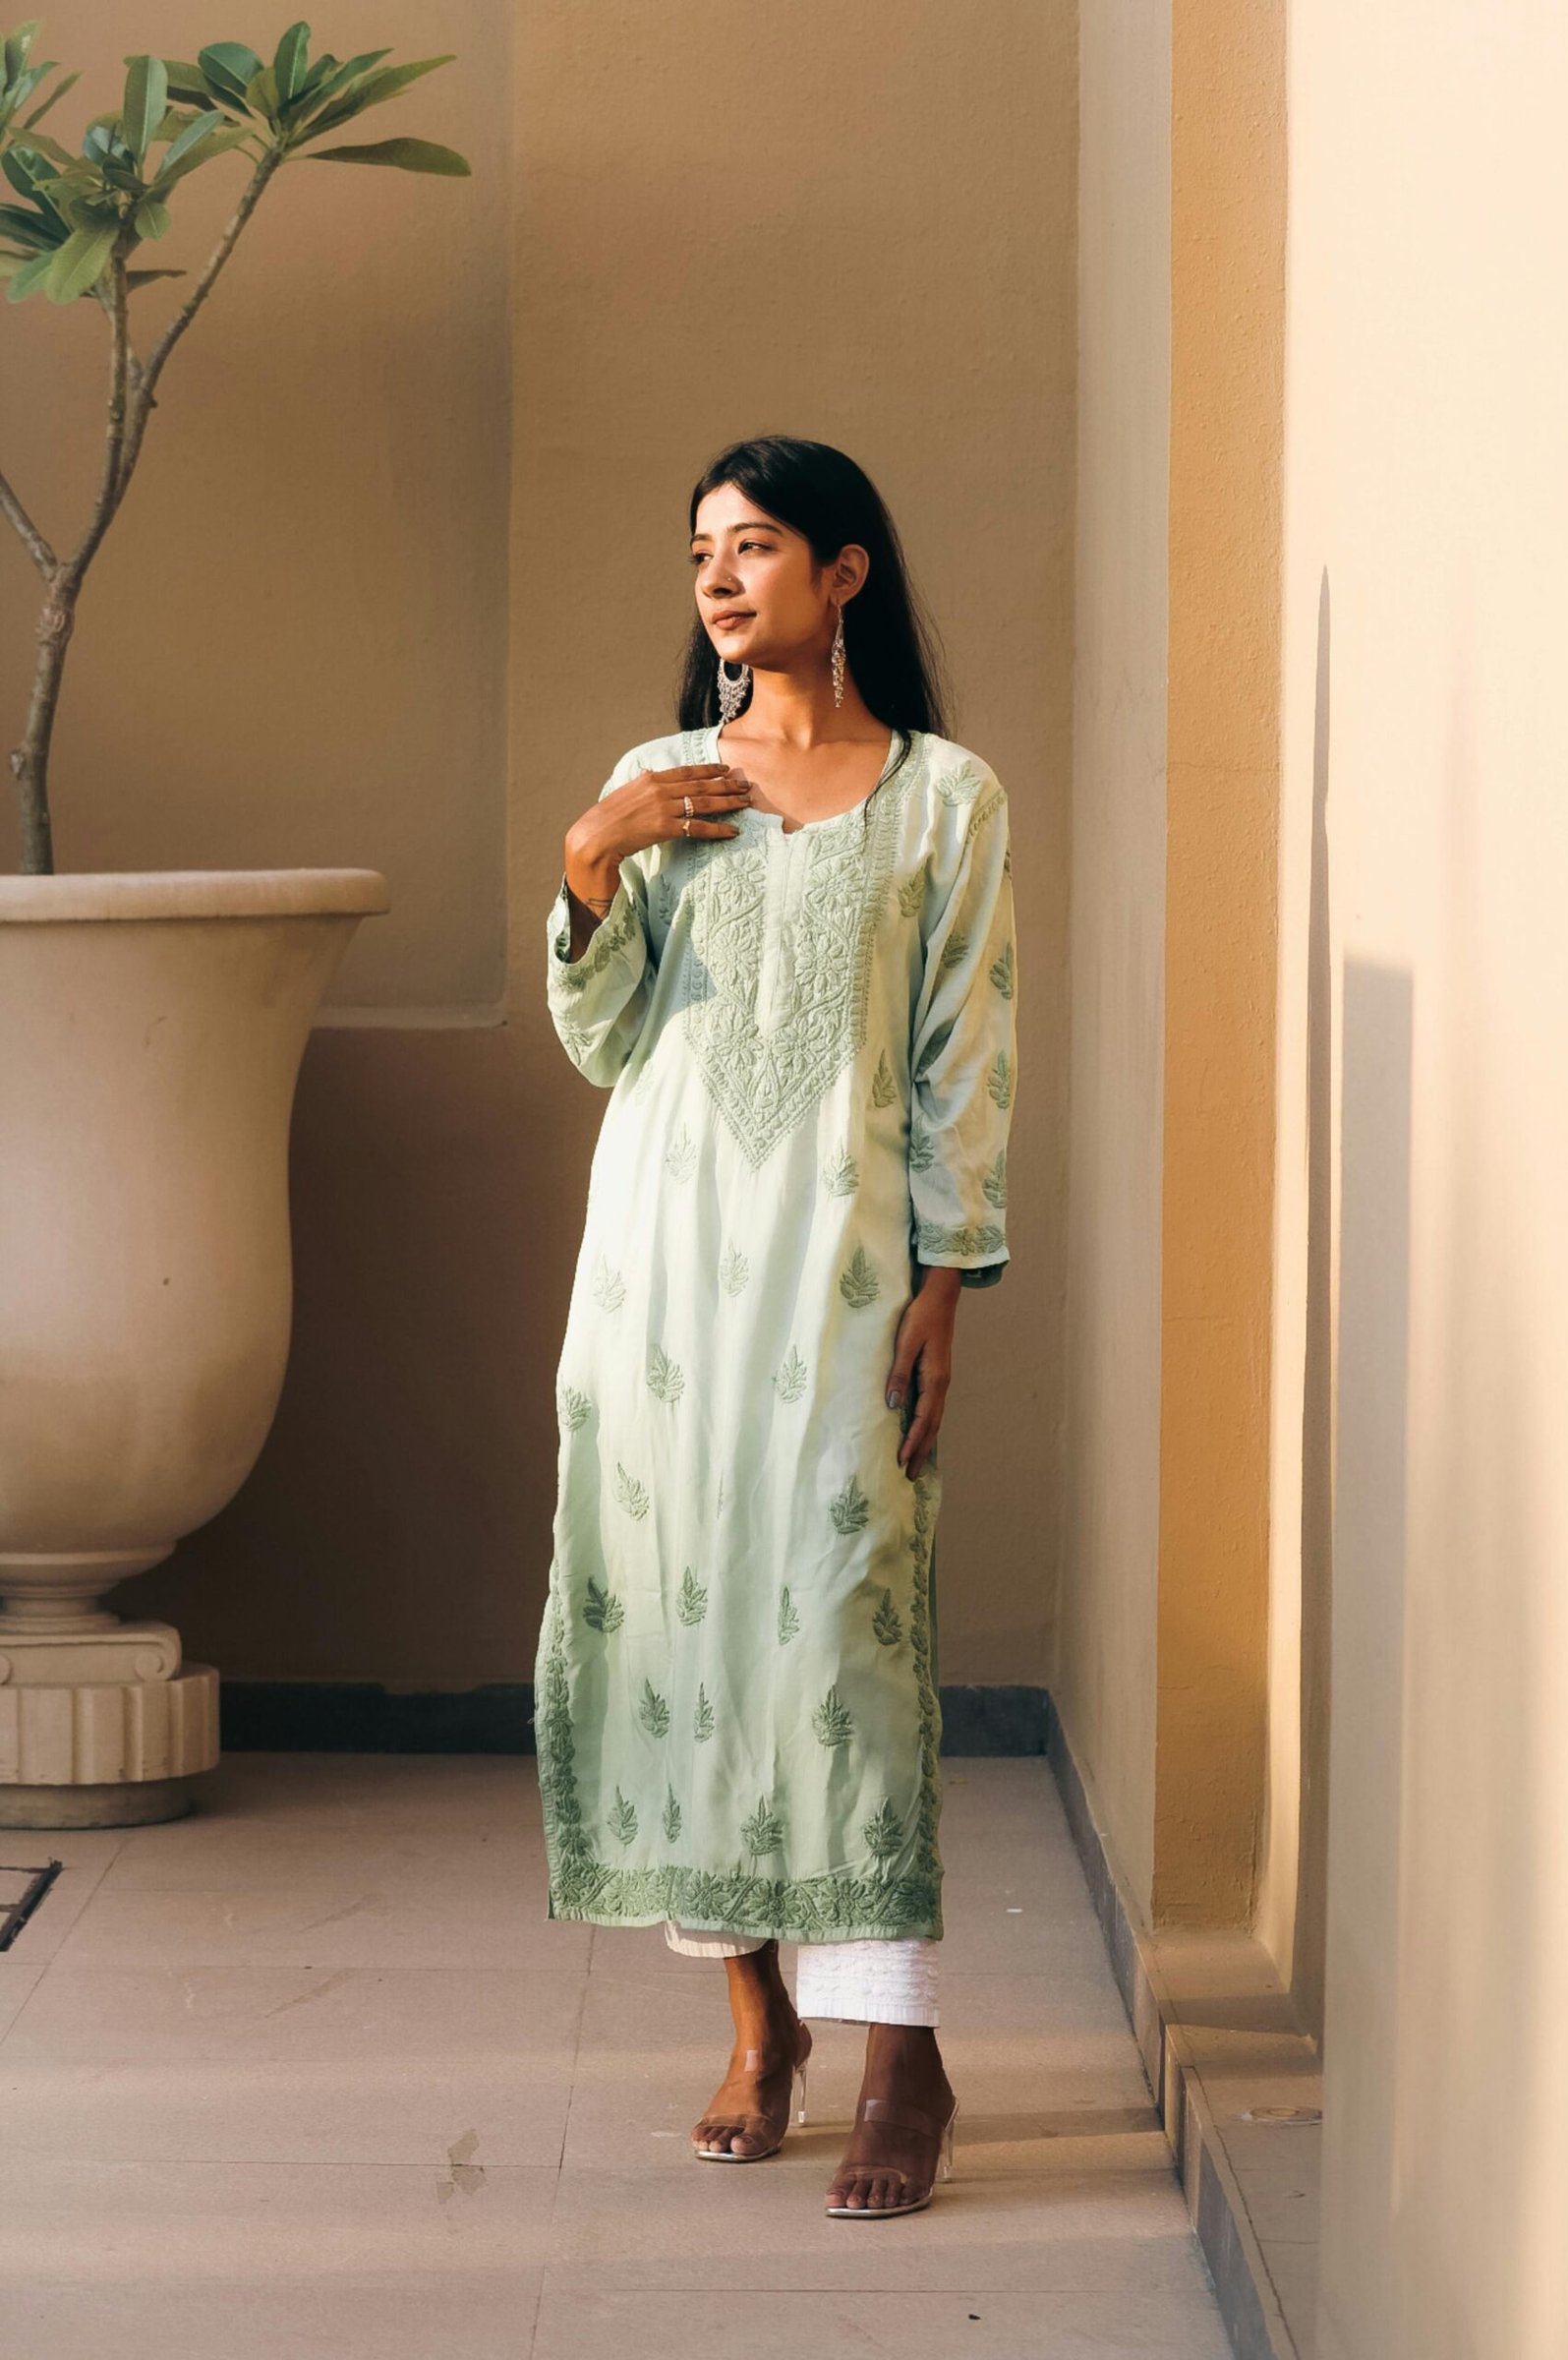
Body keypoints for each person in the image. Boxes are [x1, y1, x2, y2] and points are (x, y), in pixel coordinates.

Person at [535, 435, 1018, 2218]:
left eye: (755, 547)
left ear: (847, 572)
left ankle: (901, 2047)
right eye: (699, 556)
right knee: (682, 1629)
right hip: (658, 1279)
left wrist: (949, 1278)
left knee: (840, 1636)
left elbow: (965, 1057)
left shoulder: (944, 799)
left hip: (841, 1284)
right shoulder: (660, 784)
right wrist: (592, 858)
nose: (722, 580)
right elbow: (600, 1045)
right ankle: (759, 2022)